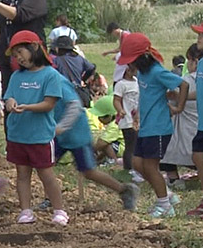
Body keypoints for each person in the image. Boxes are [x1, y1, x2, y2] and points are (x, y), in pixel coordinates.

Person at [3, 31, 67, 226]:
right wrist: (11, 103)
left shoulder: (51, 75)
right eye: (15, 56)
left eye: (21, 52)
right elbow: (9, 98)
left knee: (46, 174)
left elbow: (49, 104)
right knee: (22, 174)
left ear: (34, 48)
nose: (19, 58)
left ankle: (59, 210)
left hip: (39, 135)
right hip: (18, 134)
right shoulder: (16, 76)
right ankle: (25, 211)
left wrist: (27, 107)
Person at [117, 33, 184, 218]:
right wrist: (138, 114)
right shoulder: (143, 73)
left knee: (150, 166)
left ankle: (164, 206)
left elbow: (183, 84)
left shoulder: (156, 71)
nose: (129, 65)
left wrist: (179, 107)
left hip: (159, 128)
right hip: (146, 127)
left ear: (143, 57)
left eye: (131, 60)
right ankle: (167, 194)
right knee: (137, 164)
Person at [51, 76, 141, 211]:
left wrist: (62, 127)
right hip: (59, 132)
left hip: (76, 133)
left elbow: (74, 105)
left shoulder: (55, 79)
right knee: (46, 165)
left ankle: (124, 189)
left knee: (89, 171)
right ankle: (50, 198)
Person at [184, 19, 203, 217]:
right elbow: (202, 91)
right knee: (198, 157)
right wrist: (180, 98)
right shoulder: (201, 63)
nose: (198, 38)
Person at [163, 43, 201, 172]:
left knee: (165, 146)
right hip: (199, 127)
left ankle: (173, 177)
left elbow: (170, 98)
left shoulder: (185, 80)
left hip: (185, 132)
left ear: (194, 61)